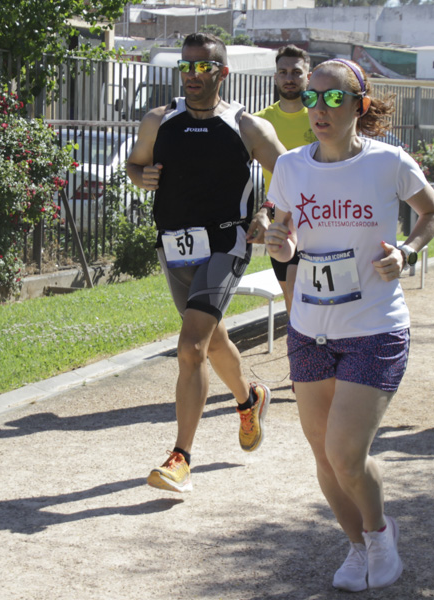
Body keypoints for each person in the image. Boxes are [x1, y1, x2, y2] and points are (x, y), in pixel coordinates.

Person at [263, 59, 434, 591]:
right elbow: (281, 229)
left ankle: (380, 533)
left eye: (334, 99)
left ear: (359, 106)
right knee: (324, 456)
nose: (320, 108)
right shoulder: (293, 167)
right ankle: (357, 546)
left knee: (346, 453)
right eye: (313, 98)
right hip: (309, 327)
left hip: (374, 326)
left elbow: (431, 212)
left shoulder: (388, 162)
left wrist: (408, 253)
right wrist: (282, 243)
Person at [125, 32, 287, 493]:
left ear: (223, 72)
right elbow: (134, 166)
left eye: (203, 67)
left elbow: (293, 174)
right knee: (212, 339)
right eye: (186, 67)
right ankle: (249, 398)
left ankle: (181, 458)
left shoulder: (246, 126)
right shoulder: (160, 120)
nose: (193, 75)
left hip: (227, 243)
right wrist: (144, 175)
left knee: (190, 345)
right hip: (174, 245)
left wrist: (266, 212)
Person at [248, 45, 313, 316]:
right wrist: (263, 213)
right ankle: (299, 354)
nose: (289, 78)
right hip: (281, 223)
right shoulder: (261, 122)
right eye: (283, 72)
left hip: (322, 218)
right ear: (275, 77)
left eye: (296, 72)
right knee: (292, 296)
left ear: (308, 76)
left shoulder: (321, 117)